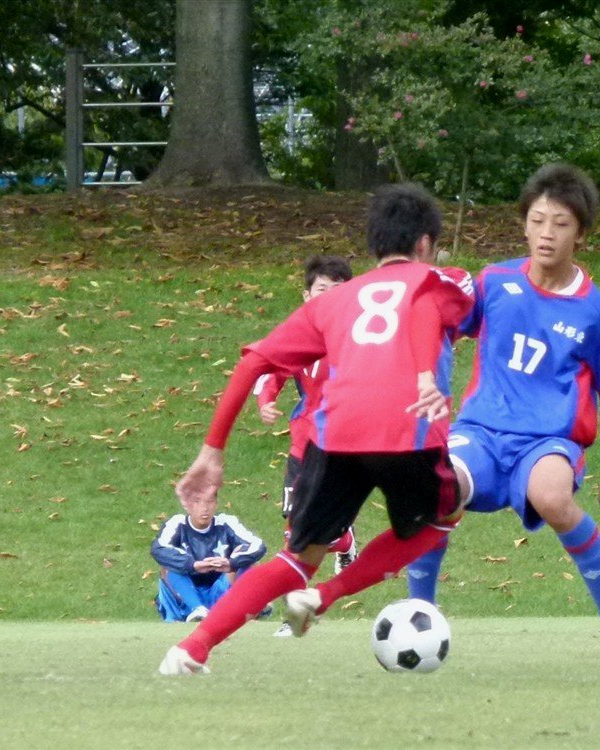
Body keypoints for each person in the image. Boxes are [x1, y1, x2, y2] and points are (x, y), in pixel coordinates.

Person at [158, 183, 473, 675]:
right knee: (444, 515)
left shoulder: (332, 301)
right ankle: (324, 596)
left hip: (335, 437)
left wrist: (211, 452)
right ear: (426, 244)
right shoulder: (444, 279)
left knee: (296, 558)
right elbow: (481, 320)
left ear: (372, 247)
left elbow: (252, 363)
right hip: (406, 428)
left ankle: (191, 649)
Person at [405, 163, 600, 667]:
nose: (546, 234)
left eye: (560, 223)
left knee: (552, 496)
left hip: (549, 442)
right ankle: (418, 614)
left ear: (581, 233)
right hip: (481, 432)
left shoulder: (593, 312)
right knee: (436, 488)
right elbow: (442, 320)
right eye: (537, 220)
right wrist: (425, 371)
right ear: (524, 223)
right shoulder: (495, 281)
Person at [254, 254, 357, 639]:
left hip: (346, 447)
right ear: (306, 295)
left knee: (317, 529)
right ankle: (293, 615)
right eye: (322, 290)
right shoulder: (299, 336)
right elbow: (270, 370)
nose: (330, 297)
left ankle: (343, 539)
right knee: (294, 531)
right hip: (303, 446)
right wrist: (266, 401)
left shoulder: (358, 337)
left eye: (339, 290)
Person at [151, 495, 267, 622]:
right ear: (186, 505)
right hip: (183, 594)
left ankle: (243, 610)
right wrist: (192, 565)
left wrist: (231, 563)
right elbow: (158, 549)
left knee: (247, 560)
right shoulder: (176, 523)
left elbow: (258, 545)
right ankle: (197, 609)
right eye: (197, 502)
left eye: (209, 502)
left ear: (216, 504)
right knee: (168, 564)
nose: (204, 508)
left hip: (220, 590)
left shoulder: (226, 522)